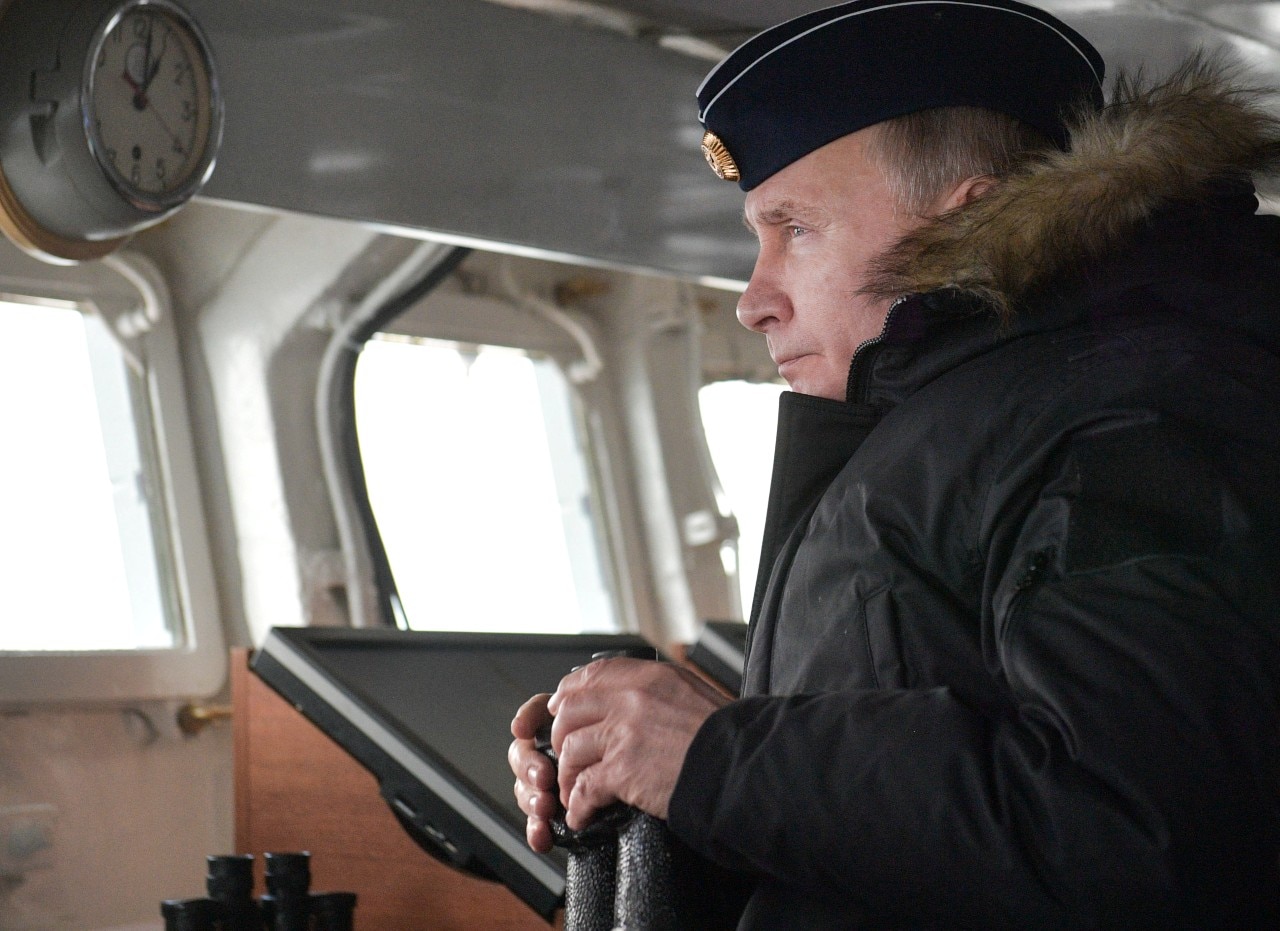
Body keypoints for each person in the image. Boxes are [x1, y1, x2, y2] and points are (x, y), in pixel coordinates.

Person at [510, 0, 1280, 925]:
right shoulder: (949, 430)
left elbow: (1145, 833)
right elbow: (891, 847)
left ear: (976, 217)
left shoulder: (1137, 416)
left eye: (795, 229)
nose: (753, 299)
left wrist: (719, 758)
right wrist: (649, 780)